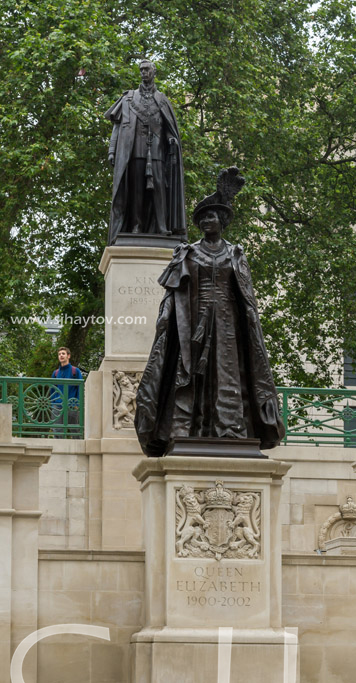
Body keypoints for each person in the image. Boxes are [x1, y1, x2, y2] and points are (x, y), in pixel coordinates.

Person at [135, 166, 285, 456]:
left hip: (229, 325)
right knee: (192, 375)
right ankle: (190, 429)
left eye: (211, 216)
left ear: (223, 220)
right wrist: (165, 322)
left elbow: (246, 297)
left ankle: (228, 430)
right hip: (193, 322)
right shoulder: (187, 252)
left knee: (228, 375)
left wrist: (252, 326)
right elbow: (172, 292)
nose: (206, 220)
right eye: (202, 217)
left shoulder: (235, 253)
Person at [105, 59, 186, 245]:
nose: (143, 73)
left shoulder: (162, 100)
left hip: (157, 152)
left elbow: (168, 127)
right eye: (141, 70)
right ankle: (137, 226)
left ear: (154, 71)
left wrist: (170, 139)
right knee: (137, 191)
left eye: (147, 69)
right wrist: (112, 150)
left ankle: (162, 225)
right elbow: (117, 127)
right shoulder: (128, 98)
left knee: (159, 188)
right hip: (134, 152)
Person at [51, 347, 83, 437]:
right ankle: (57, 450)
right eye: (59, 354)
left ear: (68, 356)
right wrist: (52, 404)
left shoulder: (75, 371)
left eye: (63, 354)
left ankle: (78, 450)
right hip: (57, 406)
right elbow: (52, 390)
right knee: (57, 430)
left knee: (75, 430)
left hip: (72, 405)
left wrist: (77, 403)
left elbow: (80, 388)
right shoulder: (55, 373)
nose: (61, 355)